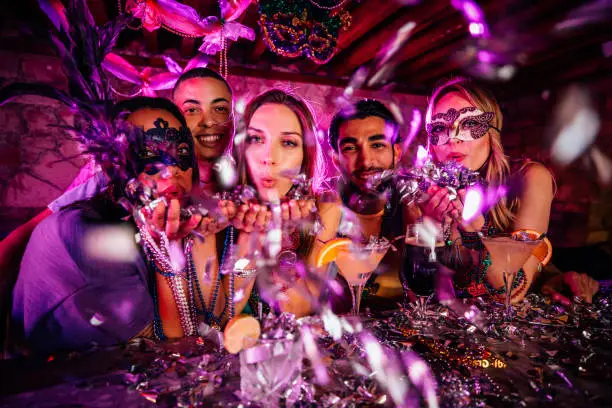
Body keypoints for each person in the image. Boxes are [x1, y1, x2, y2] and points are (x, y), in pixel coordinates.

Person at [0, 68, 234, 330]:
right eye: (192, 109)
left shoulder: (214, 192)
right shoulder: (92, 217)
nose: (208, 122)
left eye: (220, 109)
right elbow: (171, 348)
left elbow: (211, 322)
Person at [419, 77, 562, 303]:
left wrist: (475, 232)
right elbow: (419, 295)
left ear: (491, 131)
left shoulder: (529, 178)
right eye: (439, 127)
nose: (453, 139)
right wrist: (430, 228)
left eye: (469, 124)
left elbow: (510, 292)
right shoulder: (424, 193)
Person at [228, 89, 339, 318]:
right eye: (256, 139)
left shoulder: (325, 210)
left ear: (305, 156)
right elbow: (224, 314)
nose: (269, 157)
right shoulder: (223, 210)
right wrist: (254, 235)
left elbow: (298, 310)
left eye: (288, 142)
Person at [326, 99, 406, 307]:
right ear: (336, 159)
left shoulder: (414, 208)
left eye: (377, 145)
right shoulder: (320, 209)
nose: (366, 161)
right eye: (351, 148)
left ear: (396, 153)